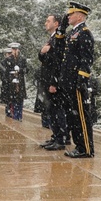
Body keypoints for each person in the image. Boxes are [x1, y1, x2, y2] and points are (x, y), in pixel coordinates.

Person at [59, 2, 95, 158]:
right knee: (73, 116)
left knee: (81, 116)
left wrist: (81, 79)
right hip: (68, 81)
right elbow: (61, 47)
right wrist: (61, 28)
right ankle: (79, 146)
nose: (68, 16)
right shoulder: (73, 32)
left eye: (71, 13)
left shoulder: (84, 33)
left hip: (76, 81)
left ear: (80, 15)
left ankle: (86, 148)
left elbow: (86, 59)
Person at [38, 14, 68, 149]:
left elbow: (57, 62)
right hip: (48, 79)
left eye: (48, 21)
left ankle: (61, 139)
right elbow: (44, 58)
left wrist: (54, 82)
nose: (46, 23)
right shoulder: (52, 38)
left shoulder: (59, 38)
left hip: (53, 80)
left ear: (56, 24)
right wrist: (42, 52)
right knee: (51, 110)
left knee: (57, 110)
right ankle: (56, 136)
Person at [5, 42, 27, 121]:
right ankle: (14, 116)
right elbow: (6, 71)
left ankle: (19, 116)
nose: (15, 51)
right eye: (13, 49)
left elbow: (26, 69)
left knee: (20, 100)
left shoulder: (22, 59)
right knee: (13, 100)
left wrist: (20, 70)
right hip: (12, 82)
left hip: (20, 81)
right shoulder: (8, 59)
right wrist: (12, 73)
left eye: (16, 49)